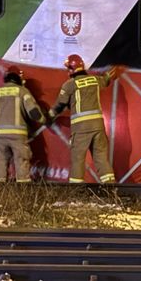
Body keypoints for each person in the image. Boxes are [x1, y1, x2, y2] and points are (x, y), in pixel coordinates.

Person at [49, 54, 116, 184]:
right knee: (101, 158)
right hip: (98, 127)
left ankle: (76, 192)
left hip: (81, 129)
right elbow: (106, 79)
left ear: (71, 69)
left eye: (68, 69)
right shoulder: (95, 80)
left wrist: (49, 116)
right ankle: (111, 190)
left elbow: (59, 105)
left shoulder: (69, 85)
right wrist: (109, 74)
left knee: (78, 159)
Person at [0, 66, 46, 183]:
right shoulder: (22, 91)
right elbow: (34, 112)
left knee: (1, 161)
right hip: (18, 135)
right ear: (19, 78)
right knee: (21, 160)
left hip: (1, 135)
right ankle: (22, 191)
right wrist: (44, 120)